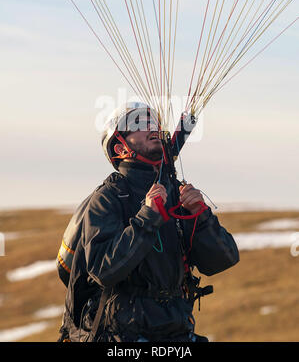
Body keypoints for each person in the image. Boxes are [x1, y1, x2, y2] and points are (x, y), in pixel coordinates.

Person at [58, 102, 239, 342]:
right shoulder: (108, 198)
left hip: (176, 331)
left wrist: (200, 216)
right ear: (120, 147)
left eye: (153, 121)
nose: (152, 126)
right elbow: (104, 269)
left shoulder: (176, 193)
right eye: (138, 124)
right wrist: (148, 218)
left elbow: (223, 259)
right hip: (121, 334)